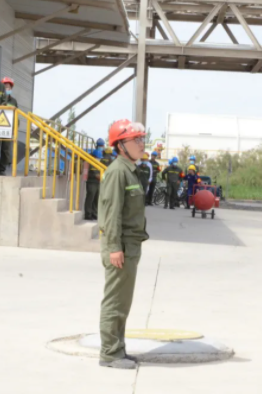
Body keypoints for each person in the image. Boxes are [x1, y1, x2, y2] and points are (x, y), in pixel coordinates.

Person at [98, 118, 149, 370]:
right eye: (135, 140)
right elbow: (111, 214)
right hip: (121, 247)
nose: (141, 144)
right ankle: (109, 353)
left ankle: (118, 349)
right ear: (120, 145)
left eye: (142, 139)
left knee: (123, 302)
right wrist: (114, 247)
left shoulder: (130, 170)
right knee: (115, 301)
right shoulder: (118, 171)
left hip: (130, 246)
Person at [0, 77, 18, 175]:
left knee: (5, 150)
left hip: (8, 128)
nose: (7, 89)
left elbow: (16, 115)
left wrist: (15, 128)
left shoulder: (13, 101)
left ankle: (1, 169)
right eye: (5, 87)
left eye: (8, 87)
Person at [83, 147, 103, 221]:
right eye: (97, 157)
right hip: (92, 182)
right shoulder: (91, 162)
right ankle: (88, 214)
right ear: (94, 156)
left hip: (97, 182)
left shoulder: (97, 163)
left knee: (96, 199)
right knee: (90, 198)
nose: (98, 159)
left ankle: (94, 214)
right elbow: (97, 175)